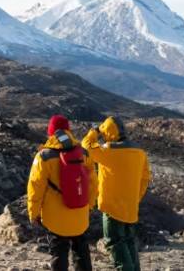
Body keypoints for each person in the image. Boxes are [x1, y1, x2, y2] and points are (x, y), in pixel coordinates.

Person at [28, 114, 98, 271]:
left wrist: (34, 213)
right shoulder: (84, 153)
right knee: (81, 249)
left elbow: (35, 188)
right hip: (80, 213)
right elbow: (94, 183)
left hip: (55, 219)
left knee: (59, 253)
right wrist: (90, 206)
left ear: (51, 132)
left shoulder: (43, 157)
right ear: (68, 131)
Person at [82, 116, 150, 271]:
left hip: (112, 206)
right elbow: (145, 178)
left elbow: (86, 146)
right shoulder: (140, 152)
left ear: (109, 132)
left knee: (114, 242)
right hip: (130, 207)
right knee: (129, 241)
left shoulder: (108, 151)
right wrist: (136, 197)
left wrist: (95, 131)